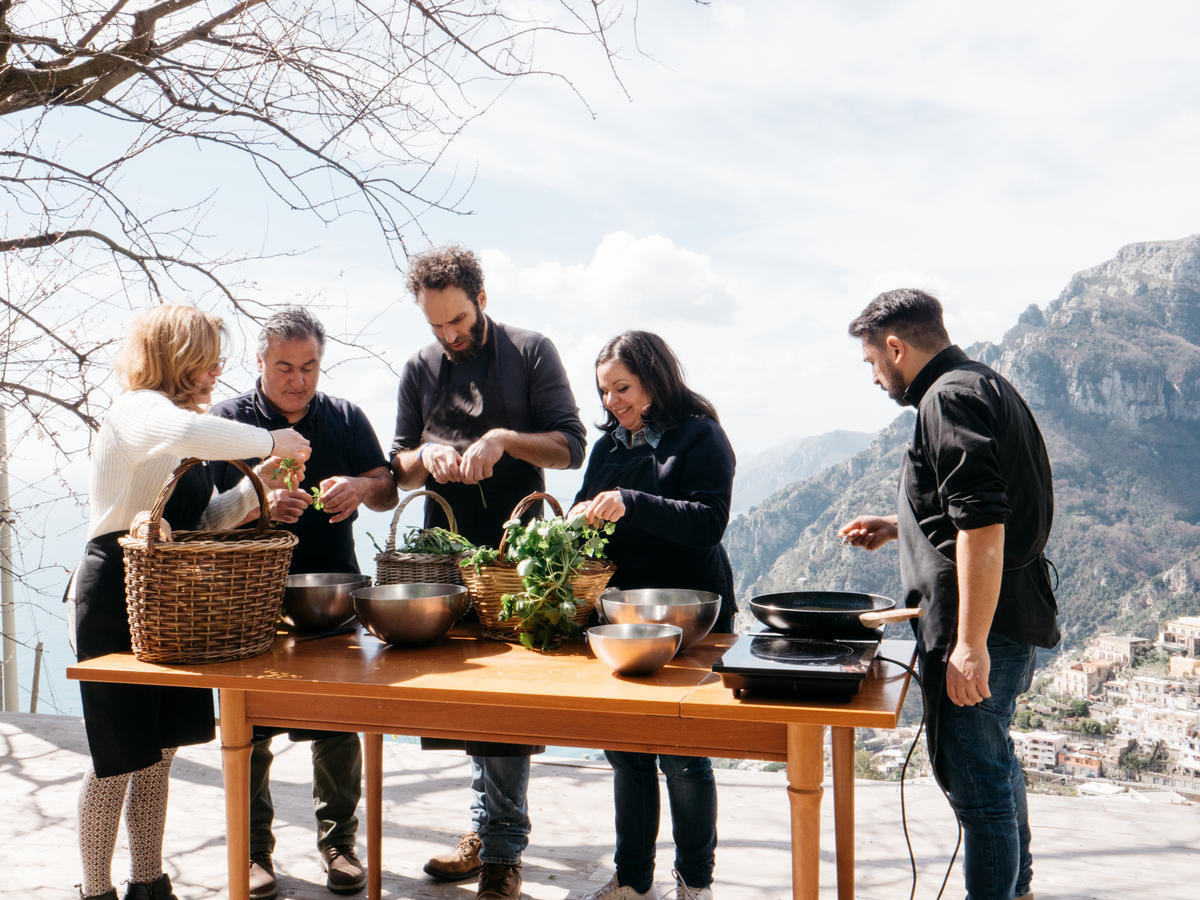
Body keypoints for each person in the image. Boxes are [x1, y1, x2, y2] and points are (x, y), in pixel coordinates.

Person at [72, 305, 310, 900]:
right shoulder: (139, 412)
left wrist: (256, 492)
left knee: (160, 753)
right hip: (115, 596)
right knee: (115, 758)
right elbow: (183, 435)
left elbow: (200, 523)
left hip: (169, 603)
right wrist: (272, 439)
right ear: (177, 358)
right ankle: (95, 891)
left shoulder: (181, 424)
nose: (216, 371)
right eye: (206, 359)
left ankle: (149, 884)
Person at [837, 289, 1058, 900]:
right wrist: (898, 525)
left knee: (978, 789)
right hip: (1010, 616)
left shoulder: (947, 399)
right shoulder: (983, 382)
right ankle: (1018, 889)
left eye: (871, 362)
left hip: (984, 626)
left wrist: (969, 644)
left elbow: (984, 525)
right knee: (994, 765)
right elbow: (974, 509)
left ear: (895, 348)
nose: (874, 377)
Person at [390, 245, 587, 900]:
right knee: (466, 701)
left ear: (482, 299)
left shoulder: (531, 352)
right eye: (436, 325)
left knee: (506, 705)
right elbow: (397, 468)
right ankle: (487, 832)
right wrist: (428, 455)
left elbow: (570, 446)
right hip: (443, 556)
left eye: (458, 321)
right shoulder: (420, 368)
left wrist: (503, 440)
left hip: (517, 558)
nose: (449, 336)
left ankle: (502, 851)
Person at [210, 307, 398, 899]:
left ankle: (340, 845)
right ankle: (252, 853)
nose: (299, 380)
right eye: (285, 367)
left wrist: (361, 488)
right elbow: (204, 515)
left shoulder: (344, 416)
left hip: (334, 595)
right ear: (260, 363)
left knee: (337, 726)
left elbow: (387, 488)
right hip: (248, 598)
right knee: (249, 728)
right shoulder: (227, 421)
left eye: (310, 367)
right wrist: (259, 504)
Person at [568, 331, 735, 900]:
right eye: (604, 391)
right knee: (627, 753)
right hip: (623, 618)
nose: (611, 401)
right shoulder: (607, 449)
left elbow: (709, 521)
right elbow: (585, 513)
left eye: (622, 388)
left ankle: (695, 883)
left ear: (654, 380)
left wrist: (632, 503)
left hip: (690, 619)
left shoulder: (700, 435)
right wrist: (577, 521)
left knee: (684, 759)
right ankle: (634, 881)